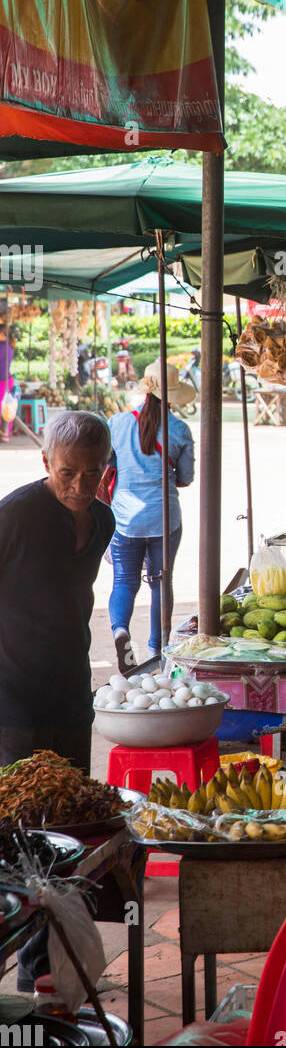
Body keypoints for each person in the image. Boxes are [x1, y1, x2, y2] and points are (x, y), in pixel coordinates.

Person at [0, 410, 115, 994]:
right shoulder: (16, 515)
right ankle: (24, 967)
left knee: (67, 829)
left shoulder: (104, 521)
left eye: (91, 473)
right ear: (45, 463)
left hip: (72, 693)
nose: (78, 485)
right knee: (18, 838)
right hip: (13, 700)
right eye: (67, 472)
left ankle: (49, 967)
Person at [108, 361, 195, 670]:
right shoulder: (180, 429)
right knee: (161, 582)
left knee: (124, 582)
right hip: (164, 519)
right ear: (172, 395)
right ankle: (157, 648)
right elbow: (185, 477)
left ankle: (120, 631)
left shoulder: (116, 423)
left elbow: (108, 463)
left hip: (125, 520)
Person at [0, 324, 14, 443]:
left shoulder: (4, 347)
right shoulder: (6, 345)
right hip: (6, 380)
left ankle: (4, 433)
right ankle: (5, 434)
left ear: (2, 334)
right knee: (5, 407)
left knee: (4, 407)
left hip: (2, 381)